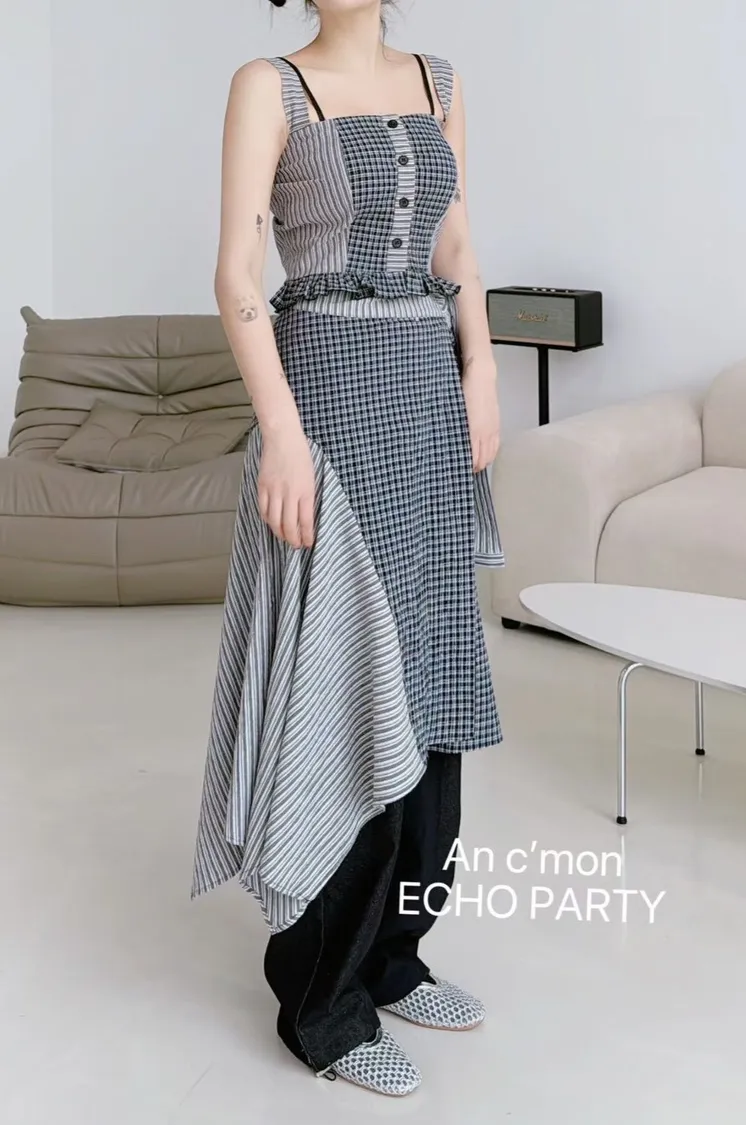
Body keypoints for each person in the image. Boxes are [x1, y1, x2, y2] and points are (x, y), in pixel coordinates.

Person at [192, 0, 505, 1098]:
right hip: (326, 392)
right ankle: (322, 1003)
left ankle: (396, 956)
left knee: (431, 673)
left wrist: (483, 369)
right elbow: (237, 274)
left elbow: (455, 243)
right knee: (343, 676)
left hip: (429, 396)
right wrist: (281, 433)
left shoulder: (441, 79)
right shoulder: (267, 84)